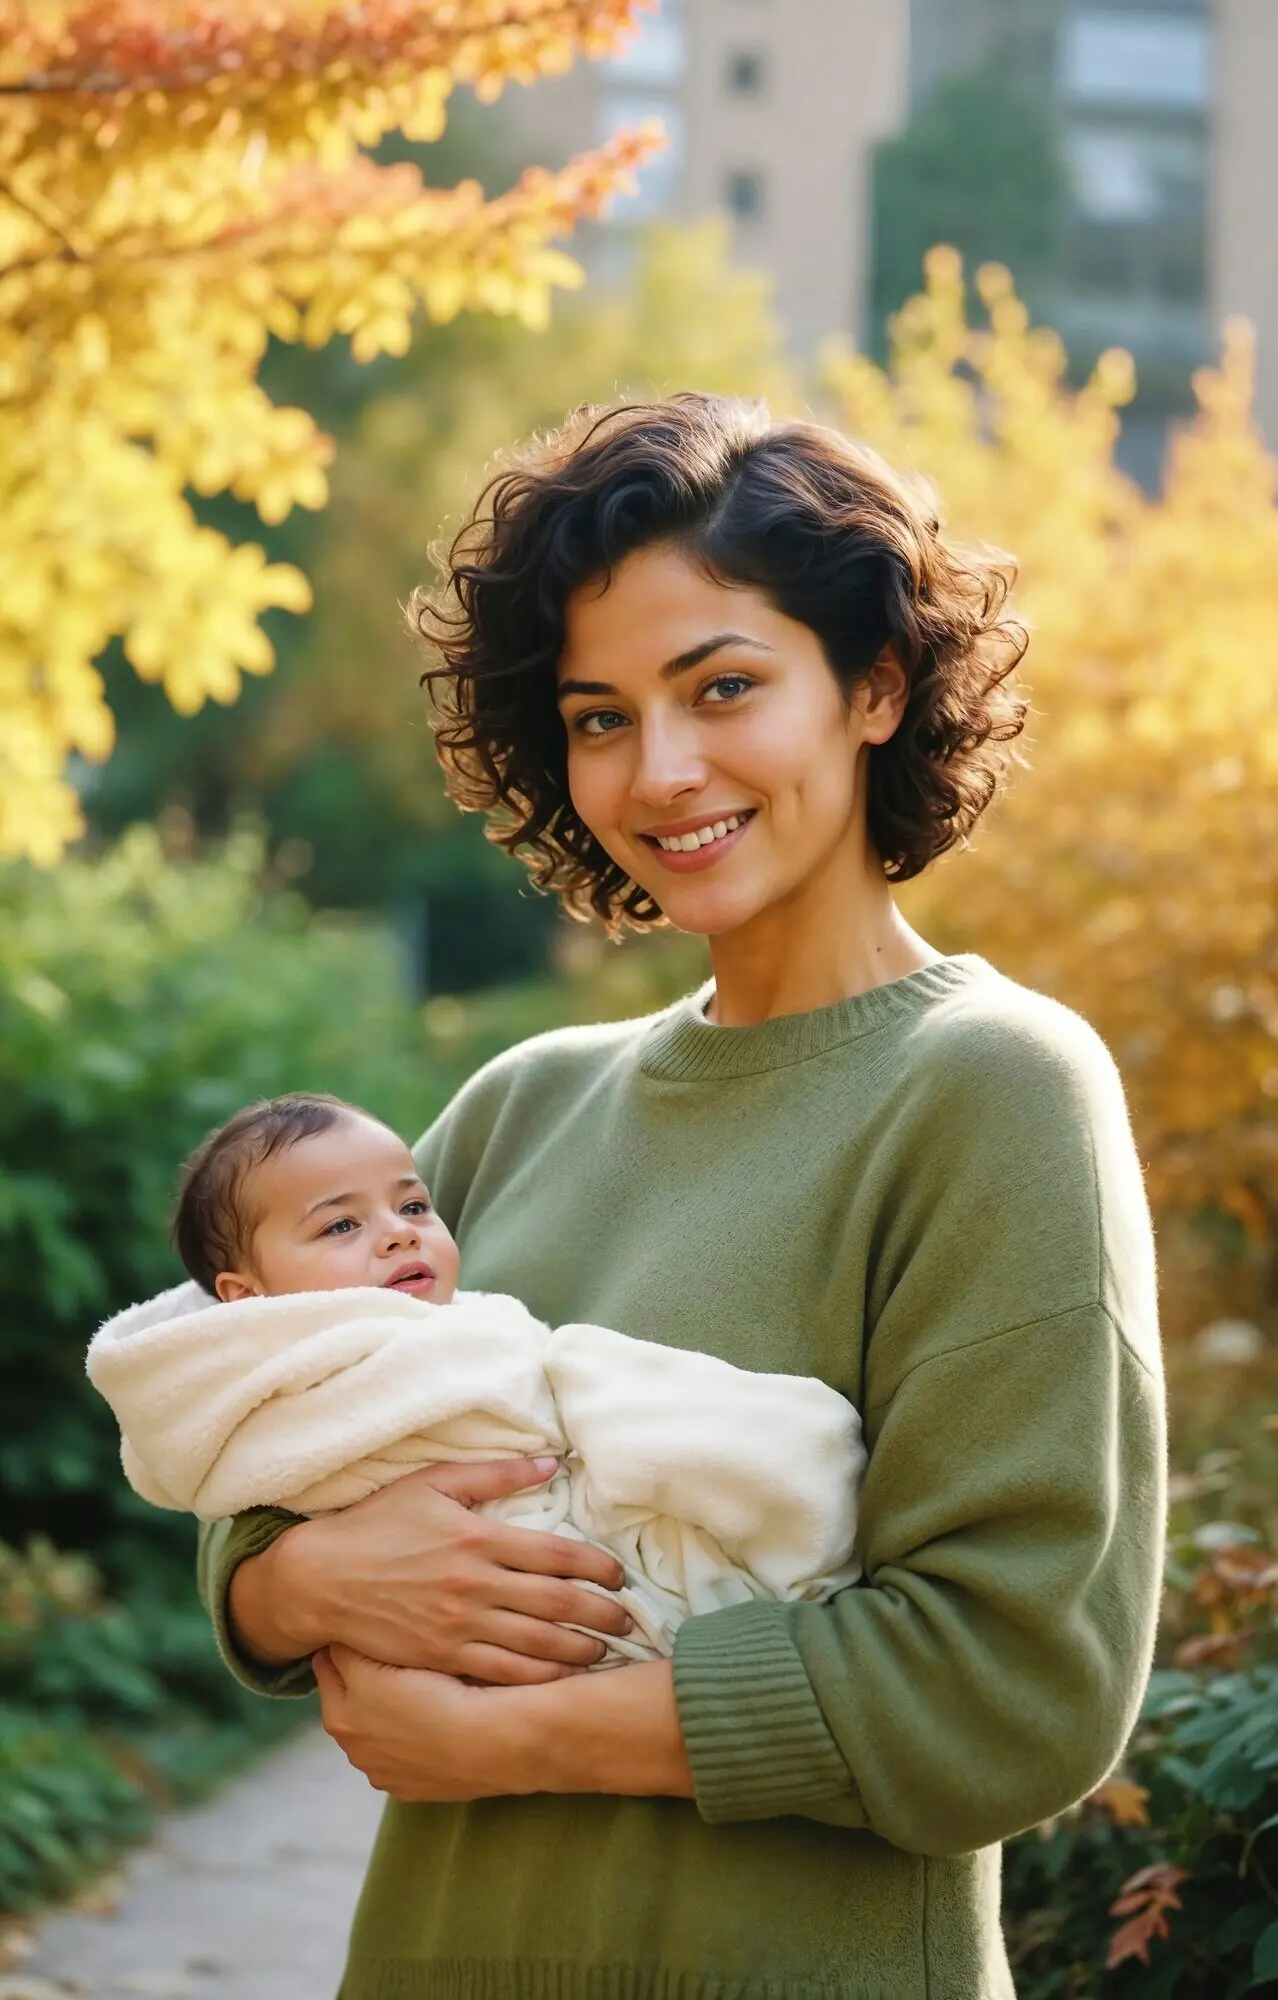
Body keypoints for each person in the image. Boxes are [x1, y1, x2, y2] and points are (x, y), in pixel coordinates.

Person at [199, 394, 1166, 2000]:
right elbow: (264, 1427)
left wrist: (513, 1738)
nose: (660, 771)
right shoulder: (520, 1108)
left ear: (876, 685)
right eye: (599, 717)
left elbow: (1014, 1690)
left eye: (724, 688)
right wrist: (289, 1582)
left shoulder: (994, 1090)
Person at [88, 1091, 863, 1658]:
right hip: (533, 1576)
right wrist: (300, 1585)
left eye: (413, 1207)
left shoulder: (459, 1319)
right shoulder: (273, 1381)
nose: (398, 1234)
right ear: (247, 1298)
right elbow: (243, 1506)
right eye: (342, 1224)